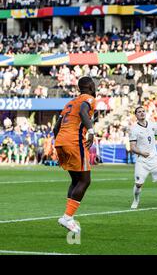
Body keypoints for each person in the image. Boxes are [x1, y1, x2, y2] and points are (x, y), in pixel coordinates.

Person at [53, 77, 96, 234]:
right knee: (85, 180)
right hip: (74, 141)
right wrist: (91, 131)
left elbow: (55, 128)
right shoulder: (89, 99)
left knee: (76, 180)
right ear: (91, 86)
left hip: (61, 141)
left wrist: (60, 148)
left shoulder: (69, 103)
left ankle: (68, 217)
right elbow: (83, 111)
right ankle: (67, 217)